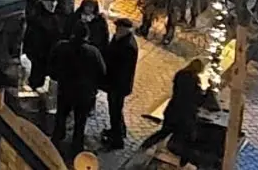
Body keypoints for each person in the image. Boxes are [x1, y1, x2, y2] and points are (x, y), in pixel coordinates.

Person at [138, 58, 217, 154]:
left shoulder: (180, 75)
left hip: (172, 110)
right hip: (182, 115)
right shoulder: (193, 81)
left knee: (164, 132)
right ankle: (178, 156)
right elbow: (197, 99)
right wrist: (209, 90)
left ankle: (145, 145)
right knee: (185, 136)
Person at [48, 26, 106, 153]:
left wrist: (57, 76)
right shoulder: (93, 52)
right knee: (80, 121)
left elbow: (51, 63)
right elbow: (102, 71)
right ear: (87, 36)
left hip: (65, 88)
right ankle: (76, 146)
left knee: (61, 115)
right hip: (84, 93)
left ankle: (57, 138)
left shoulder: (61, 46)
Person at [102, 19, 139, 149]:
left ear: (125, 29)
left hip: (118, 86)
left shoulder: (127, 46)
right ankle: (118, 131)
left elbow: (121, 70)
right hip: (114, 84)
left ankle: (117, 140)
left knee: (115, 111)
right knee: (116, 110)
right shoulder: (120, 39)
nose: (116, 30)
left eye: (119, 28)